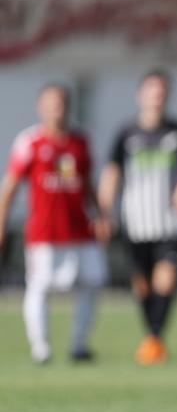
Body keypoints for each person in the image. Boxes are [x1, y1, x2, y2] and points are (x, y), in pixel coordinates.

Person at [98, 69, 177, 366]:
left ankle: (155, 339)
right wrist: (104, 212)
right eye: (152, 90)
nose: (157, 96)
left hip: (170, 221)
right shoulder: (126, 133)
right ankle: (152, 337)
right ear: (140, 95)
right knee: (142, 285)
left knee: (166, 280)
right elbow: (112, 173)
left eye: (162, 91)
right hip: (135, 223)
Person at [0, 84, 109, 364]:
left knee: (93, 281)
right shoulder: (30, 142)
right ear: (40, 106)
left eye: (60, 103)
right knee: (40, 287)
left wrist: (101, 216)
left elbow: (87, 184)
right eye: (50, 103)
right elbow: (10, 187)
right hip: (45, 232)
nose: (56, 108)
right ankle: (41, 347)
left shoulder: (80, 142)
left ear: (68, 106)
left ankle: (79, 345)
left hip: (80, 230)